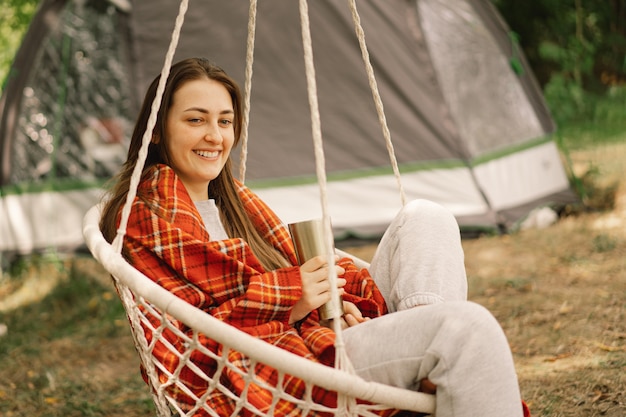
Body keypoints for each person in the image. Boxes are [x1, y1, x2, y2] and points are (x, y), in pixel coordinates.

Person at [100, 57, 529, 417]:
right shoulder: (147, 218)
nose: (215, 136)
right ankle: (431, 364)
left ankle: (424, 366)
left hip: (321, 338)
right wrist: (293, 300)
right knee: (467, 329)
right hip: (281, 372)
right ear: (156, 131)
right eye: (196, 120)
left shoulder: (237, 204)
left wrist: (338, 305)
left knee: (426, 217)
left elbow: (303, 279)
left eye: (225, 121)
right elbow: (191, 344)